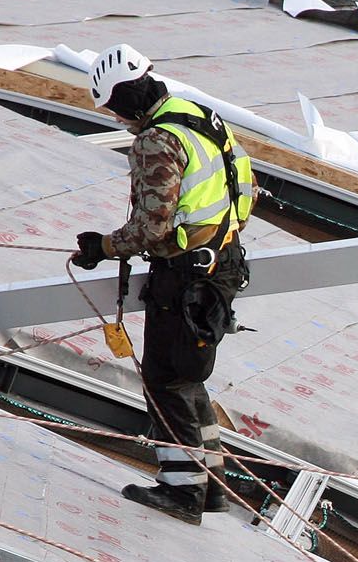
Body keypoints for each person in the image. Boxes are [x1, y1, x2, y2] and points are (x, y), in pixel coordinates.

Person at [70, 44, 258, 524]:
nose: (117, 120)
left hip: (186, 278)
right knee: (187, 377)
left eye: (114, 109)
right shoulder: (199, 115)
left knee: (164, 379)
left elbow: (152, 227)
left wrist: (103, 248)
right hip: (222, 262)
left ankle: (182, 492)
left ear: (126, 98)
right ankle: (212, 486)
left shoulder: (157, 140)